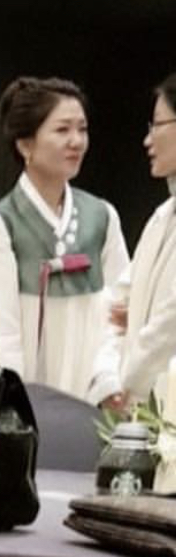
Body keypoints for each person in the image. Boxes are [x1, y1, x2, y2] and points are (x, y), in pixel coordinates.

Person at [0, 76, 128, 405]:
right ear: (25, 145)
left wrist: (108, 379)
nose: (76, 141)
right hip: (24, 383)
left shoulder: (102, 215)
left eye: (82, 129)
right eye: (62, 130)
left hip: (91, 379)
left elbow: (121, 310)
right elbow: (2, 338)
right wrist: (18, 407)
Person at [108, 72, 176, 408]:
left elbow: (168, 325)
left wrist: (125, 383)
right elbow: (118, 303)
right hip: (140, 405)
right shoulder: (161, 218)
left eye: (157, 125)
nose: (148, 141)